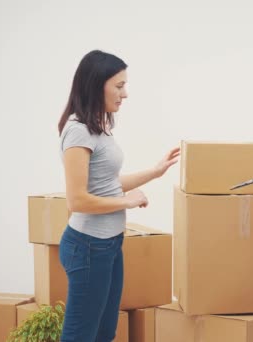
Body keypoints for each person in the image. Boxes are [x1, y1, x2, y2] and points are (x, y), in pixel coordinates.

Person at [57, 50, 179, 341]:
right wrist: (128, 201)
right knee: (80, 336)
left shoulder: (99, 127)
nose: (125, 94)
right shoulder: (78, 132)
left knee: (104, 334)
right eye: (119, 86)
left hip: (109, 244)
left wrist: (155, 172)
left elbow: (106, 183)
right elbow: (78, 200)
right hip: (88, 247)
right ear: (95, 84)